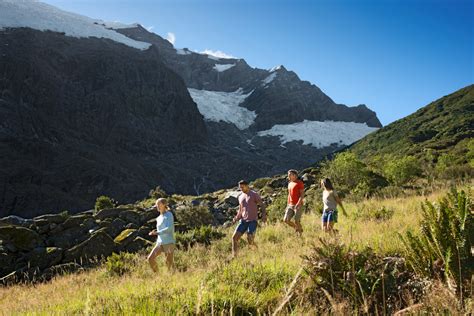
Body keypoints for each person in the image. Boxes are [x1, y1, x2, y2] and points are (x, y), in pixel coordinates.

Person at [232, 180, 267, 258]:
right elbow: (240, 210)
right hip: (243, 221)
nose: (241, 189)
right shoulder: (240, 196)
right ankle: (234, 256)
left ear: (247, 186)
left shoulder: (254, 194)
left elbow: (262, 205)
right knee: (234, 238)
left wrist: (264, 215)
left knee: (249, 237)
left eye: (242, 187)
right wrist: (236, 218)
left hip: (252, 220)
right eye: (240, 187)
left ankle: (258, 253)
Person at [147, 198, 175, 272]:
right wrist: (155, 232)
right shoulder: (158, 218)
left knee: (169, 265)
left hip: (169, 242)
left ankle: (172, 279)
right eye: (156, 204)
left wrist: (157, 232)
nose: (157, 206)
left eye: (159, 204)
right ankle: (158, 275)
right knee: (150, 258)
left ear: (164, 204)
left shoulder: (169, 214)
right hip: (160, 242)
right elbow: (161, 229)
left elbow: (169, 228)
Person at [283, 169, 304, 235]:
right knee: (286, 220)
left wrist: (298, 203)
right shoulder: (289, 183)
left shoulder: (299, 183)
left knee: (297, 221)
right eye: (288, 175)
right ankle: (297, 228)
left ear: (294, 175)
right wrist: (287, 205)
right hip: (290, 205)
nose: (288, 176)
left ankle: (300, 235)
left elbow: (302, 194)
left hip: (298, 205)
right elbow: (289, 195)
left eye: (290, 175)